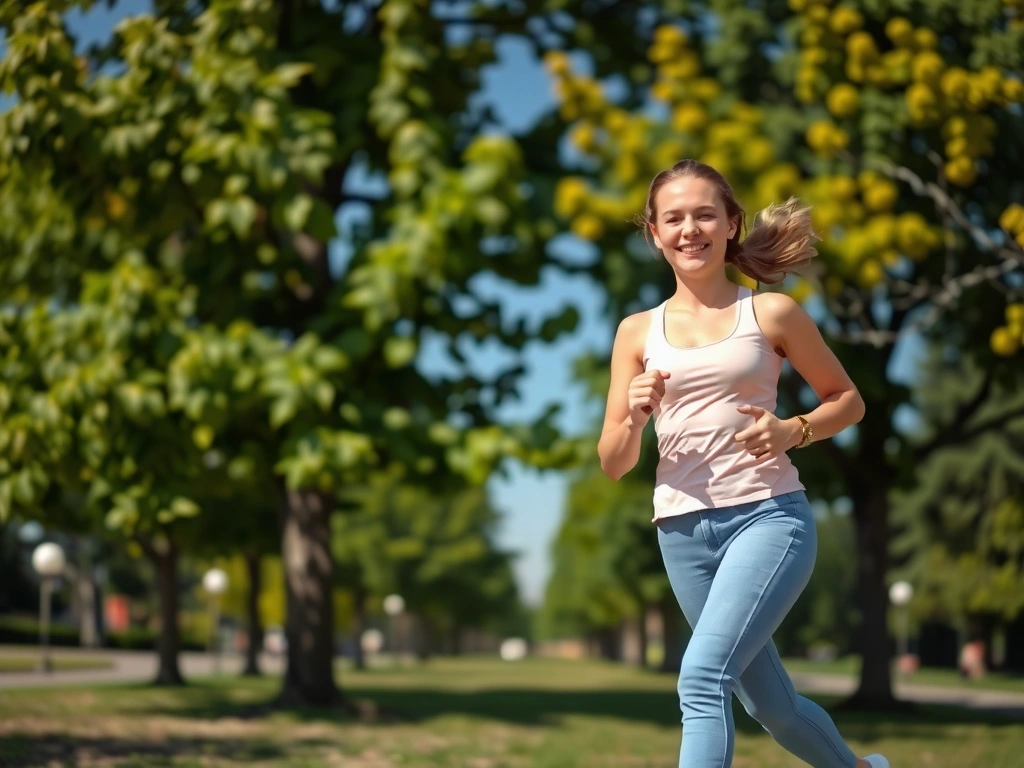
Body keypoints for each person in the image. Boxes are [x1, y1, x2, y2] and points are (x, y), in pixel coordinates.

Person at [597, 159, 888, 768]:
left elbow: (849, 400)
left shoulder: (770, 314)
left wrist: (794, 429)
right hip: (681, 532)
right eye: (672, 218)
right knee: (772, 708)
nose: (690, 229)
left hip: (767, 518)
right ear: (653, 232)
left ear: (731, 224)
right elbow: (615, 462)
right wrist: (633, 415)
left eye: (705, 213)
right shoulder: (635, 332)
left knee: (701, 680)